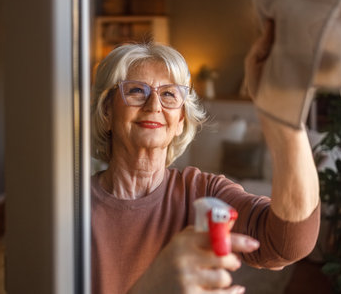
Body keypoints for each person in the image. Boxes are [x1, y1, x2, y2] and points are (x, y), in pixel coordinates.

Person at [91, 22, 320, 294]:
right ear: (107, 112)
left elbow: (287, 243)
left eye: (168, 94)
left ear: (180, 121)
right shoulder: (69, 205)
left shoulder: (203, 193)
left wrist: (284, 112)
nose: (154, 106)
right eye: (136, 91)